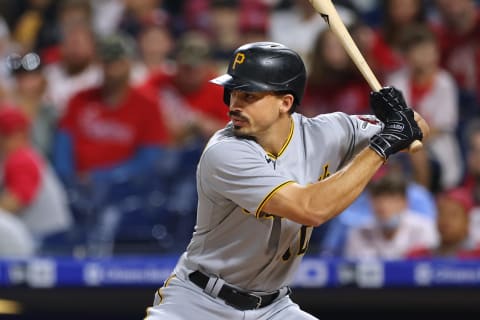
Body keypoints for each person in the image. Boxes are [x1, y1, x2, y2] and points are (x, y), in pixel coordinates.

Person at [144, 41, 428, 319]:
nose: (234, 105)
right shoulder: (225, 151)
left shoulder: (327, 131)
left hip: (273, 306)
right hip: (199, 303)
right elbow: (311, 209)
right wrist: (382, 145)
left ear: (285, 102)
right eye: (232, 93)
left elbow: (417, 128)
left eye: (249, 95)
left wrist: (399, 116)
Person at [0, 106, 72, 251]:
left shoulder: (21, 158)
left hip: (49, 240)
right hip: (42, 236)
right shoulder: (22, 155)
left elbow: (14, 201)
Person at [343, 165, 438, 260]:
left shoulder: (423, 229)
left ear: (405, 202)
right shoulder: (360, 232)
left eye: (391, 199)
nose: (384, 206)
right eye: (378, 199)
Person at [407, 187, 480, 258]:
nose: (445, 219)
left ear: (467, 221)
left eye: (453, 214)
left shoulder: (476, 256)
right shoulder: (418, 256)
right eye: (441, 213)